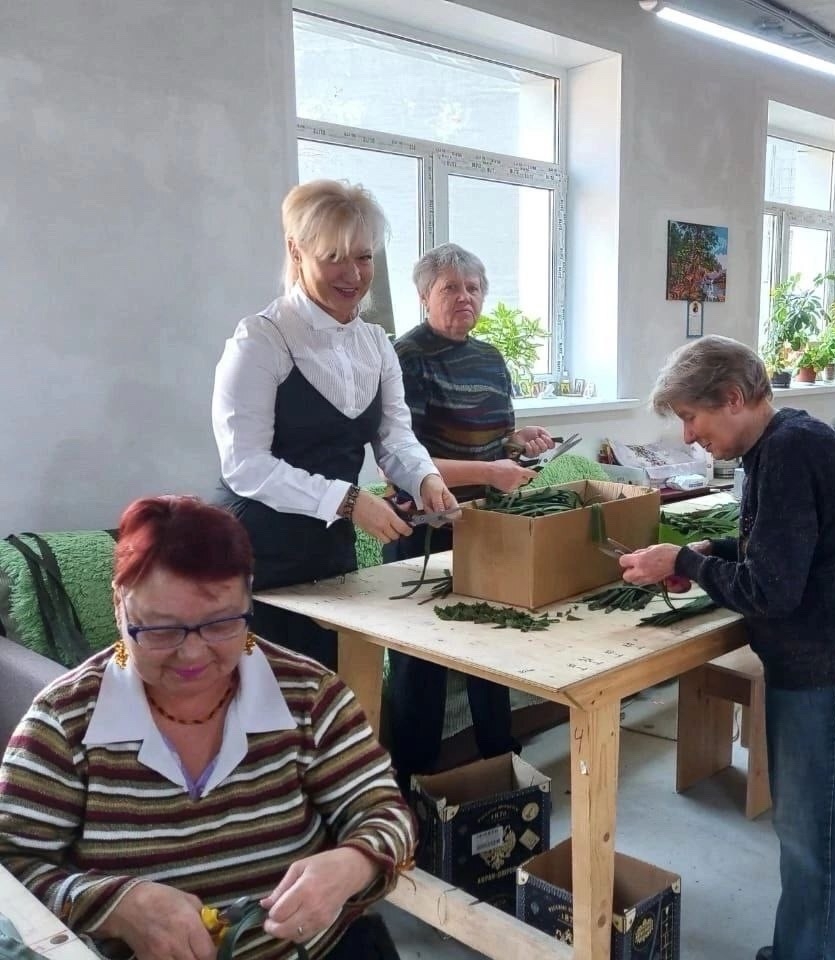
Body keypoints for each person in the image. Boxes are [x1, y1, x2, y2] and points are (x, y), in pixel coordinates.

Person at [0, 496, 414, 960]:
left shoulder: (307, 695)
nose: (193, 654)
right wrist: (116, 907)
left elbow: (385, 813)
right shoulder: (66, 721)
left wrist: (353, 864)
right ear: (119, 606)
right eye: (161, 630)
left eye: (221, 624)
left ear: (248, 598)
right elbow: (11, 867)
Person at [618, 336, 835, 960]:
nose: (689, 436)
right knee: (828, 830)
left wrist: (685, 560)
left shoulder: (790, 452)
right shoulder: (787, 440)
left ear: (733, 398)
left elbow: (771, 591)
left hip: (827, 668)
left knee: (812, 838)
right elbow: (781, 549)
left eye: (691, 417)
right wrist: (708, 554)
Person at [212, 179, 457, 669]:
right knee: (262, 695)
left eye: (364, 257)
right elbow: (244, 464)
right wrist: (347, 500)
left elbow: (394, 437)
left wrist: (425, 478)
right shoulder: (261, 339)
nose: (354, 274)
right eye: (334, 258)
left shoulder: (376, 343)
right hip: (257, 557)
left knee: (327, 689)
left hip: (330, 553)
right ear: (296, 251)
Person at [382, 243, 554, 787]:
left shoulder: (490, 357)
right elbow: (402, 461)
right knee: (421, 662)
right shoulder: (406, 357)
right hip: (423, 531)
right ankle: (413, 785)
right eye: (450, 288)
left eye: (473, 288)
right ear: (424, 295)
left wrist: (518, 441)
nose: (465, 297)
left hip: (484, 526)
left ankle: (500, 768)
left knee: (490, 646)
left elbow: (496, 438)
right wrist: (489, 472)